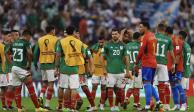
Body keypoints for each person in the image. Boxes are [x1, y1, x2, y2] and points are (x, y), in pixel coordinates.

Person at [7, 30, 42, 112]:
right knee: (31, 88)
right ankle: (37, 108)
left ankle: (19, 108)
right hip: (22, 68)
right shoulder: (26, 42)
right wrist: (29, 65)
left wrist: (11, 63)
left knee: (17, 89)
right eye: (30, 37)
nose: (30, 39)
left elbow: (7, 53)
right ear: (28, 36)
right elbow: (30, 54)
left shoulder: (14, 43)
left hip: (14, 67)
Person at [101, 28, 132, 111]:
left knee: (119, 90)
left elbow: (127, 59)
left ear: (119, 35)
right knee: (110, 88)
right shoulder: (107, 45)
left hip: (121, 71)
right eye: (112, 34)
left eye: (115, 34)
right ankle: (111, 107)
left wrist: (128, 71)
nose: (114, 35)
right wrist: (104, 69)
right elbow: (102, 57)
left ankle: (116, 106)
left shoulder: (123, 45)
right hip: (110, 72)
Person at [134, 22, 163, 111]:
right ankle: (158, 102)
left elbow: (141, 50)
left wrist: (136, 62)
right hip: (153, 62)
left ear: (146, 27)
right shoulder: (153, 36)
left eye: (141, 27)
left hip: (147, 63)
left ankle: (147, 106)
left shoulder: (145, 37)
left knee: (146, 83)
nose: (139, 29)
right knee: (150, 83)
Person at [55, 26, 84, 111]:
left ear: (66, 32)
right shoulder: (79, 42)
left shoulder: (61, 42)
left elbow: (58, 55)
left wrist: (56, 68)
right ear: (74, 32)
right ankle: (72, 107)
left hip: (63, 68)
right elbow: (84, 55)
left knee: (61, 87)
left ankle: (60, 106)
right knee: (73, 88)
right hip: (74, 68)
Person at [33, 25, 58, 110]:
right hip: (51, 64)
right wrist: (57, 66)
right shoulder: (56, 39)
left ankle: (40, 97)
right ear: (52, 30)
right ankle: (47, 105)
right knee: (51, 84)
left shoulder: (40, 39)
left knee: (45, 83)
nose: (55, 32)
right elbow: (58, 53)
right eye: (54, 30)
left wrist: (35, 63)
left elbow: (36, 52)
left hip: (42, 64)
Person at [154, 23, 175, 111]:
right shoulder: (168, 39)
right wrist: (174, 64)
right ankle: (162, 105)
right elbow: (172, 53)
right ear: (165, 30)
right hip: (163, 64)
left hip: (153, 63)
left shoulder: (153, 36)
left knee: (150, 84)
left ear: (157, 29)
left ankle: (153, 103)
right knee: (163, 85)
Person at [124, 32, 142, 110]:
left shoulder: (127, 46)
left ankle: (131, 101)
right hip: (137, 68)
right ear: (138, 38)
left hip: (129, 68)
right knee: (136, 87)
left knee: (131, 85)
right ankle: (133, 102)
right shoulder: (140, 46)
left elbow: (124, 57)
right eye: (140, 38)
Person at [90, 36, 107, 110]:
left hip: (104, 72)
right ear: (98, 42)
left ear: (104, 42)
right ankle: (92, 105)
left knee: (103, 88)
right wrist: (90, 68)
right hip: (95, 71)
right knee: (94, 88)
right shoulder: (93, 49)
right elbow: (89, 57)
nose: (101, 43)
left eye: (102, 42)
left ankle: (102, 105)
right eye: (100, 42)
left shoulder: (107, 49)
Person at [180, 31, 191, 109]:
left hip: (183, 70)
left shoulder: (182, 45)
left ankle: (184, 105)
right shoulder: (188, 46)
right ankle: (186, 105)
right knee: (184, 90)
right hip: (188, 70)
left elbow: (181, 57)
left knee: (182, 90)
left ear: (181, 36)